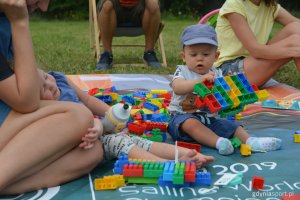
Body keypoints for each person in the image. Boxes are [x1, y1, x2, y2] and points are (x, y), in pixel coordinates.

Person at [0, 0, 103, 195]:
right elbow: (26, 101)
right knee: (78, 116)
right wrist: (20, 22)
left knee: (92, 152)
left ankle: (5, 183)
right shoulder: (12, 18)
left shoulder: (5, 17)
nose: (45, 7)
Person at [38, 70, 215, 168]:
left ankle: (190, 155)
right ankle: (168, 165)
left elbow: (88, 100)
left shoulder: (60, 80)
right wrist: (98, 126)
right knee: (123, 144)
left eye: (46, 77)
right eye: (43, 88)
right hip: (85, 142)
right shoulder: (47, 107)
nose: (50, 85)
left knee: (139, 141)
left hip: (99, 128)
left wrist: (112, 114)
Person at [167, 24, 282, 156]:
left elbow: (224, 101)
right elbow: (178, 87)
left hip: (210, 119)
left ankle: (251, 141)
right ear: (184, 56)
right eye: (193, 54)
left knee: (232, 126)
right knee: (191, 124)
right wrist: (199, 81)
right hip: (181, 118)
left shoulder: (217, 73)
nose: (200, 58)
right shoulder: (182, 71)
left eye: (206, 54)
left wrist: (232, 86)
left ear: (216, 56)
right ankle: (219, 143)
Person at [215, 0, 300, 87]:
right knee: (296, 42)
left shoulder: (270, 6)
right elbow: (255, 50)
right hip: (229, 72)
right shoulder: (234, 4)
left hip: (252, 63)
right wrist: (290, 49)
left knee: (296, 28)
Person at [96, 0, 162, 70]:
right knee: (107, 5)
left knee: (152, 3)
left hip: (140, 7)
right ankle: (107, 54)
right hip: (114, 6)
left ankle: (149, 52)